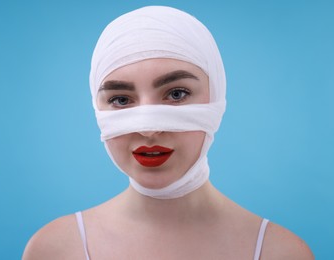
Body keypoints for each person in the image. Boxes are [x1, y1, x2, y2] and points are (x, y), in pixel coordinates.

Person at [23, 6, 314, 259]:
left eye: (176, 94)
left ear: (217, 98)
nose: (149, 128)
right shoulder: (54, 250)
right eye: (121, 100)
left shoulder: (280, 252)